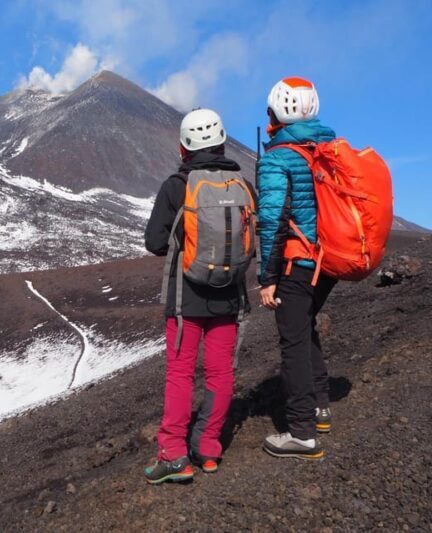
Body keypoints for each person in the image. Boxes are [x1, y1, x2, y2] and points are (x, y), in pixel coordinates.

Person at [143, 108, 254, 484]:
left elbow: (154, 242)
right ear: (223, 141)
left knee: (180, 373)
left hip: (184, 298)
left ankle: (173, 454)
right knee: (221, 371)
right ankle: (208, 447)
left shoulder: (177, 185)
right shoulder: (242, 185)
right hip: (230, 296)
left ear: (183, 146)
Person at [257, 77, 336, 459]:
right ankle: (320, 406)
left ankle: (302, 433)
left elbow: (272, 219)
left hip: (297, 261)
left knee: (292, 342)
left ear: (279, 111)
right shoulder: (329, 147)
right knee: (304, 329)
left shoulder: (278, 157)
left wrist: (267, 278)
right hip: (329, 261)